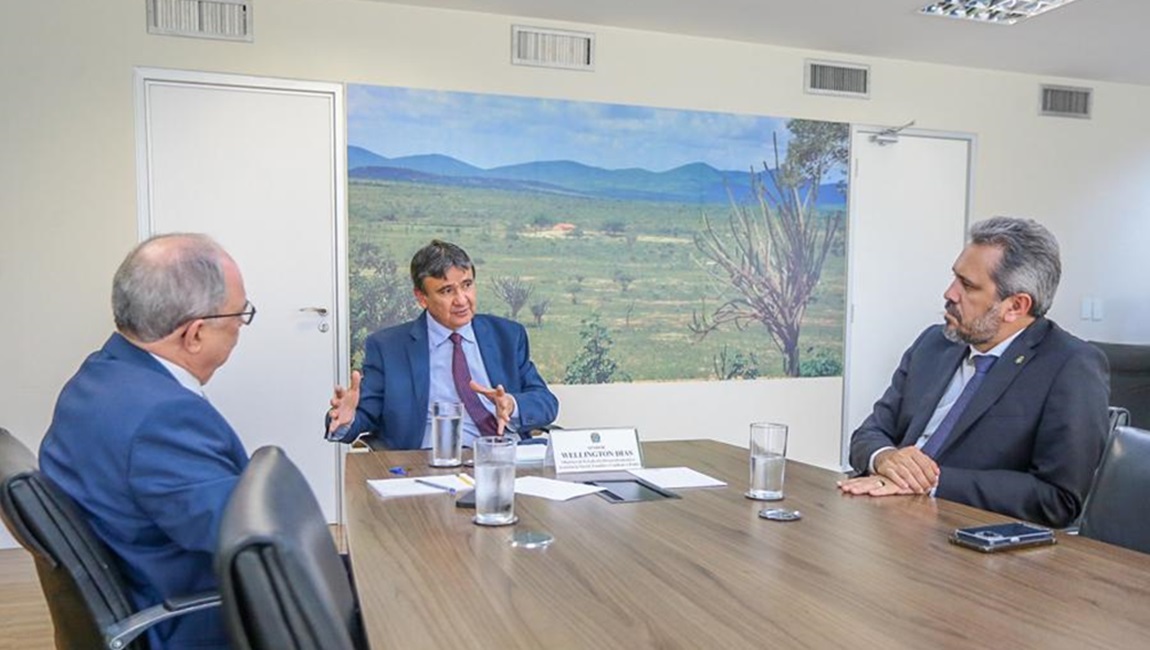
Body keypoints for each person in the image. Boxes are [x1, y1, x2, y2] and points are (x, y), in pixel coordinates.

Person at [40, 233, 253, 650]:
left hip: (144, 590)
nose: (240, 328)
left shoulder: (97, 377)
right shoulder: (165, 418)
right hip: (195, 625)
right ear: (194, 334)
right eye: (240, 316)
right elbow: (249, 541)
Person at [839, 217, 1108, 528]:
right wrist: (885, 458)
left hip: (963, 534)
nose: (949, 293)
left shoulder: (1071, 366)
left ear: (1015, 306)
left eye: (967, 286)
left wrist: (930, 481)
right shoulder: (934, 343)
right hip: (882, 512)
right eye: (955, 277)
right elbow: (868, 434)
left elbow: (1058, 498)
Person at [327, 239, 558, 449]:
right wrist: (346, 420)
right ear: (422, 298)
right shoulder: (388, 348)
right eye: (447, 291)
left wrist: (512, 404)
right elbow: (364, 415)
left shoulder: (507, 335)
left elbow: (546, 403)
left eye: (467, 285)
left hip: (505, 458)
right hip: (429, 463)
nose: (461, 300)